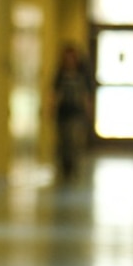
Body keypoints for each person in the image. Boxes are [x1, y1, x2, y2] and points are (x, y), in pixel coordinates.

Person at [52, 42, 94, 182]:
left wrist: (89, 111)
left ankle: (74, 166)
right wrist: (51, 108)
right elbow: (54, 93)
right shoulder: (60, 73)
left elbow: (86, 95)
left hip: (77, 113)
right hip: (63, 112)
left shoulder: (82, 74)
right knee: (64, 141)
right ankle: (65, 168)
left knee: (74, 140)